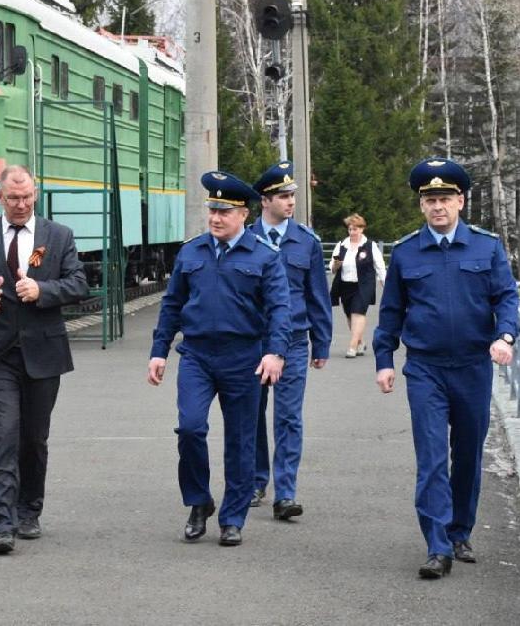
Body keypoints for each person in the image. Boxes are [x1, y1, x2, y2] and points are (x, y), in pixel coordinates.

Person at [373, 158, 519, 580]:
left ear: (461, 201)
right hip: (426, 369)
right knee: (433, 458)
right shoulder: (405, 252)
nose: (438, 207)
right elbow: (392, 313)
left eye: (445, 199)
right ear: (421, 205)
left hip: (474, 366)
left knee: (468, 454)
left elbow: (506, 299)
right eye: (430, 200)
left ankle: (460, 530)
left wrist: (505, 336)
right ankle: (437, 546)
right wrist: (385, 361)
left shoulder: (486, 247)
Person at [0, 165, 88, 555]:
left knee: (33, 440)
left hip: (44, 354)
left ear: (36, 194)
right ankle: (2, 524)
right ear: (0, 198)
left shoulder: (58, 237)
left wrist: (41, 289)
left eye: (27, 197)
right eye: (13, 198)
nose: (21, 204)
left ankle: (30, 510)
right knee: (4, 435)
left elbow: (79, 283)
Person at [148, 170, 290, 547]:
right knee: (191, 428)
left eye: (225, 211)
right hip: (196, 355)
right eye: (212, 210)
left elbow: (280, 309)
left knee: (241, 441)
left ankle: (233, 517)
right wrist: (159, 351)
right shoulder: (191, 252)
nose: (215, 218)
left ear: (244, 214)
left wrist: (276, 352)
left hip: (244, 357)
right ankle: (198, 502)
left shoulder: (264, 256)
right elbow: (172, 304)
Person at [247, 161, 333, 519]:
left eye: (292, 196)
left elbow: (317, 295)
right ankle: (255, 479)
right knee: (251, 413)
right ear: (264, 201)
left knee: (289, 417)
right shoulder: (245, 239)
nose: (290, 202)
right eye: (283, 196)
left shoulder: (306, 241)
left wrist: (322, 343)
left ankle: (285, 492)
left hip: (295, 341)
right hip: (253, 340)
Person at [329, 213, 387, 358]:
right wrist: (335, 265)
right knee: (349, 315)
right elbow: (332, 267)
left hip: (364, 284)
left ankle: (352, 346)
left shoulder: (370, 246)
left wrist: (384, 282)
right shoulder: (341, 245)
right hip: (345, 284)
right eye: (350, 229)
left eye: (355, 229)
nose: (352, 232)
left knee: (358, 312)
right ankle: (360, 342)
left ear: (362, 229)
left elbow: (380, 266)